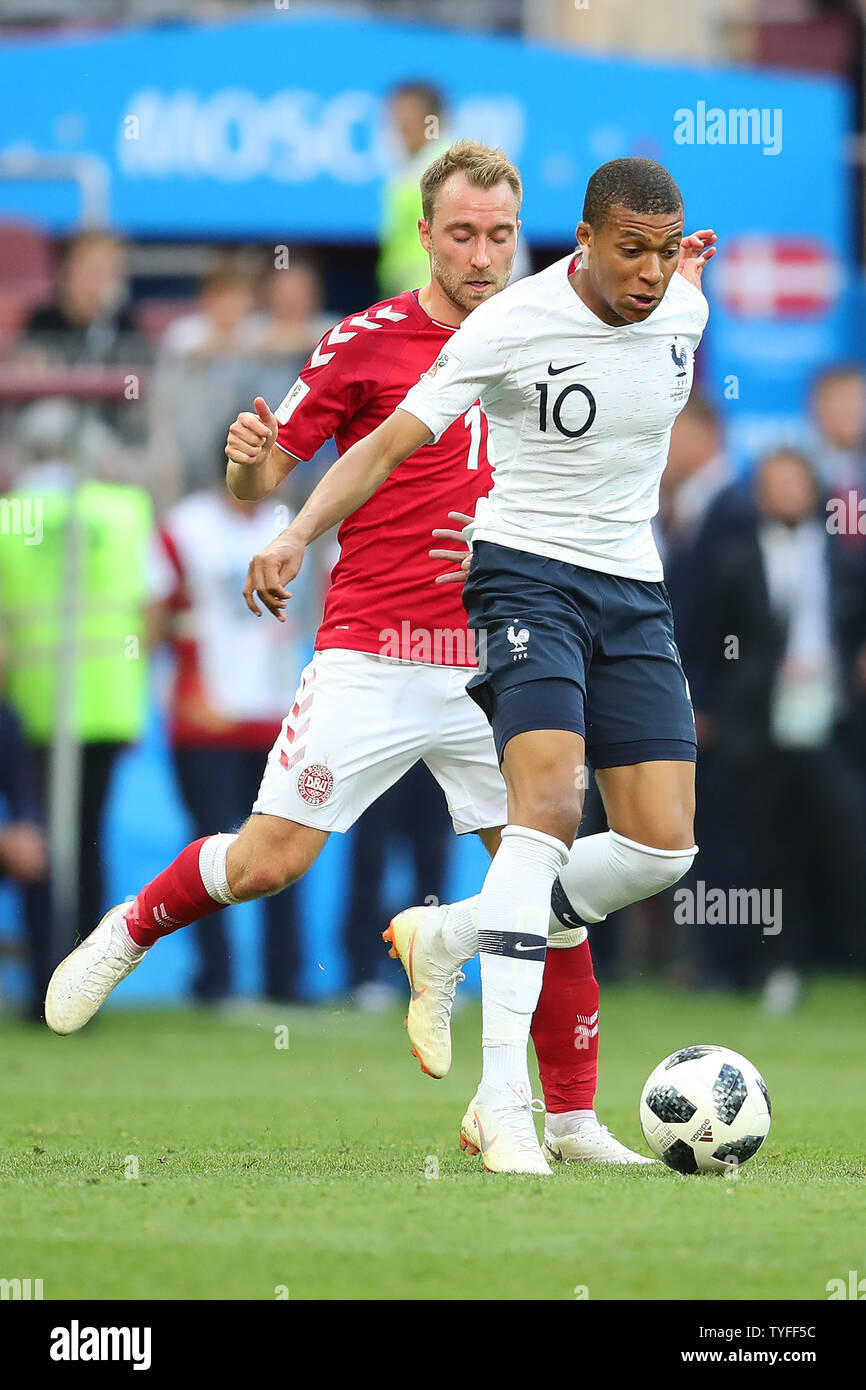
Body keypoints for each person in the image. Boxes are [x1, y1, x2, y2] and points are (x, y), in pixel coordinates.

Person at [44, 140, 646, 1175]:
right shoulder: (363, 341)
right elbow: (262, 483)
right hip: (370, 649)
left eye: (499, 234)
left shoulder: (559, 333)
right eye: (461, 233)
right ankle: (131, 925)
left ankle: (572, 1118)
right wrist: (243, 476)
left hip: (493, 654)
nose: (482, 254)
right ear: (422, 235)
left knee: (543, 877)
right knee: (269, 860)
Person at [229, 157, 717, 1173]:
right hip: (521, 576)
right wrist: (295, 536)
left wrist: (686, 275)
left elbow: (681, 296)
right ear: (580, 240)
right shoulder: (509, 324)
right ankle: (505, 1108)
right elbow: (384, 447)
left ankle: (449, 934)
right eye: (629, 251)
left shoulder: (682, 311)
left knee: (660, 849)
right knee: (538, 823)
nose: (648, 273)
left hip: (631, 589)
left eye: (665, 254)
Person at [150, 473, 313, 1004]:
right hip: (209, 718)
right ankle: (215, 980)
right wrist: (163, 688)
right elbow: (157, 612)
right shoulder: (186, 527)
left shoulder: (288, 525)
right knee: (212, 850)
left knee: (286, 849)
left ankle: (284, 981)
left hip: (279, 715)